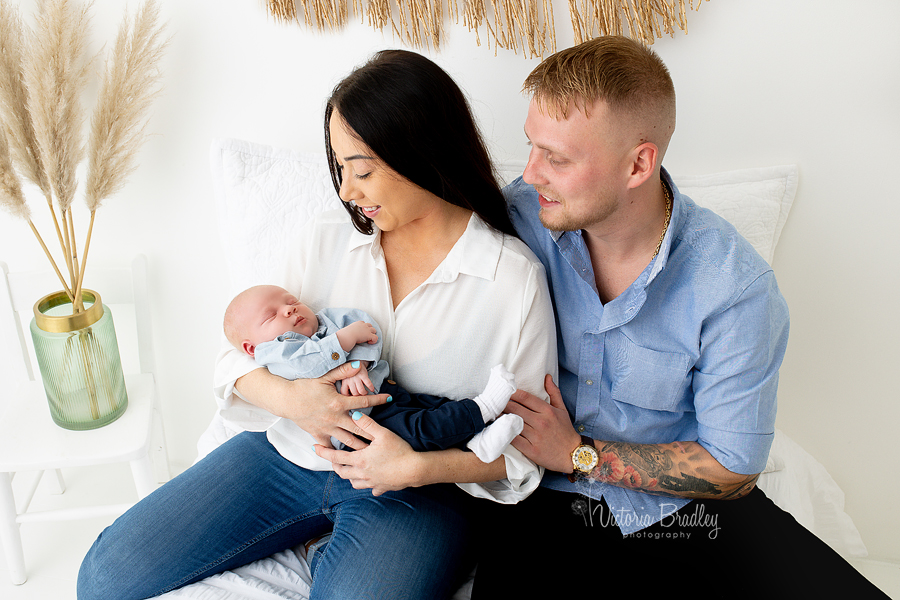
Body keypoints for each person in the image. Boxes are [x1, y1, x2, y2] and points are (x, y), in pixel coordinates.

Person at [77, 49, 557, 600]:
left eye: (362, 169)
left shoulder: (510, 279)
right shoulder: (328, 236)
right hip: (290, 453)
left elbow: (521, 448)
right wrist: (296, 403)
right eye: (340, 166)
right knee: (104, 577)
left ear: (422, 150)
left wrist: (412, 470)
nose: (347, 190)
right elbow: (240, 353)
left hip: (417, 491)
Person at [472, 35, 888, 599]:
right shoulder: (520, 214)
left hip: (684, 509)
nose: (531, 172)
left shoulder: (735, 290)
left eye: (558, 158)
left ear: (639, 163)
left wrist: (579, 454)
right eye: (532, 147)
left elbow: (732, 466)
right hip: (540, 503)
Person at [222, 283, 525, 462]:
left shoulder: (328, 320)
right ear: (250, 348)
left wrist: (359, 365)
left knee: (433, 404)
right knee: (419, 429)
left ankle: (476, 442)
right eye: (272, 315)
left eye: (290, 301)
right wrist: (345, 341)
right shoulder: (275, 351)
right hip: (362, 423)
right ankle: (484, 407)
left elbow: (366, 328)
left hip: (386, 392)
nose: (288, 309)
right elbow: (309, 363)